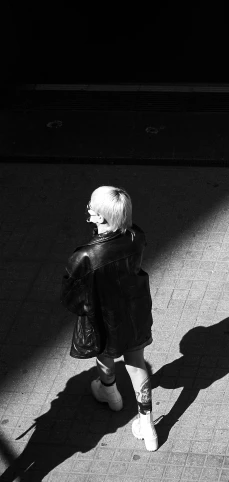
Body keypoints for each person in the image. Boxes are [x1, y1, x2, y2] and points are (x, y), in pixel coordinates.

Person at [60, 186, 158, 451]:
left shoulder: (84, 256)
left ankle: (110, 392)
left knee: (104, 351)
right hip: (135, 309)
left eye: (90, 205)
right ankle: (148, 426)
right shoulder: (136, 235)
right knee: (136, 363)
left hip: (104, 315)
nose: (88, 208)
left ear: (100, 218)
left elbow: (71, 297)